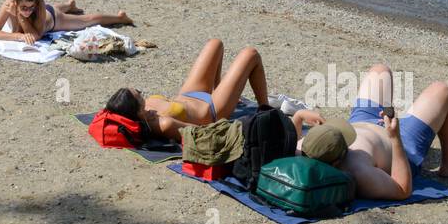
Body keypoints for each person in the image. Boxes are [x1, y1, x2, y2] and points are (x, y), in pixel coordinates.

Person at [297, 63, 448, 200]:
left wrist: (298, 116)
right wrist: (395, 138)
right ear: (337, 161)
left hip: (361, 121)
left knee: (380, 71)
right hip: (402, 141)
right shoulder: (359, 170)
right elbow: (402, 189)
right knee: (444, 90)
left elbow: (293, 138)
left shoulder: (305, 149)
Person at [102, 38, 324, 142]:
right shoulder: (164, 124)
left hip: (189, 94)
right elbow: (202, 135)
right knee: (251, 54)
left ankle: (223, 90)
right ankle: (263, 107)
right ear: (138, 111)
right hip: (211, 111)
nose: (143, 93)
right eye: (139, 95)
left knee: (214, 44)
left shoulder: (139, 111)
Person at [0, 0, 132, 44]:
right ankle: (69, 4)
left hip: (53, 19)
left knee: (87, 20)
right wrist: (19, 36)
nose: (27, 11)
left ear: (36, 3)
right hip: (49, 10)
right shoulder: (9, 4)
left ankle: (120, 18)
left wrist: (20, 15)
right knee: (60, 6)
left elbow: (36, 35)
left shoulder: (39, 6)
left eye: (30, 7)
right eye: (23, 7)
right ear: (15, 2)